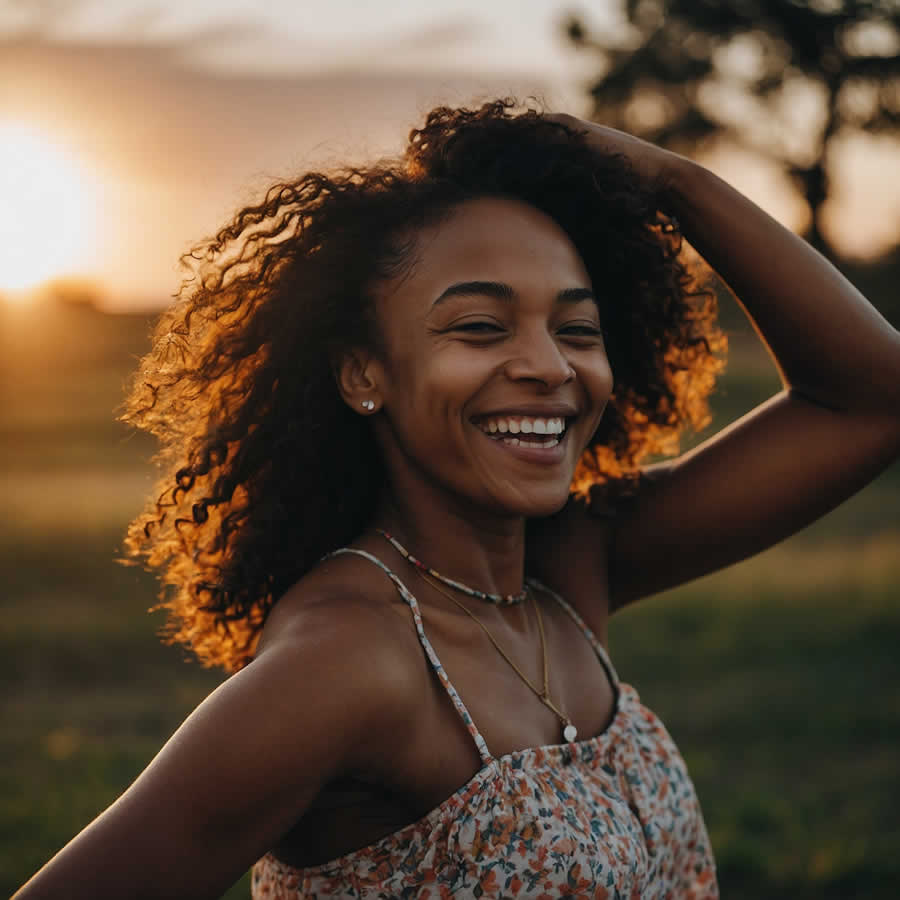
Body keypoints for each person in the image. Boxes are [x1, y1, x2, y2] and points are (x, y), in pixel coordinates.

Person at [14, 98, 900, 900]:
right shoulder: (347, 663)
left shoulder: (567, 569)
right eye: (479, 326)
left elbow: (873, 400)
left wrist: (673, 182)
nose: (549, 366)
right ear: (363, 372)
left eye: (577, 328)